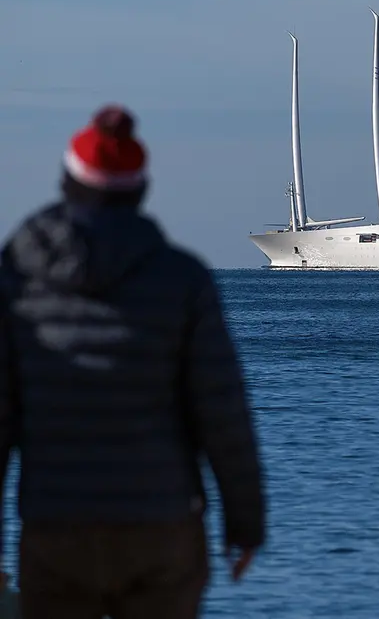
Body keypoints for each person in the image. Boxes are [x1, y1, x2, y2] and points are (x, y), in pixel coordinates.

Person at [0, 105, 266, 618]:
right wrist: (246, 524)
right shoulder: (184, 280)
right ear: (140, 191)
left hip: (56, 527)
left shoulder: (16, 281)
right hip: (161, 528)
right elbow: (222, 415)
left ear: (66, 183)